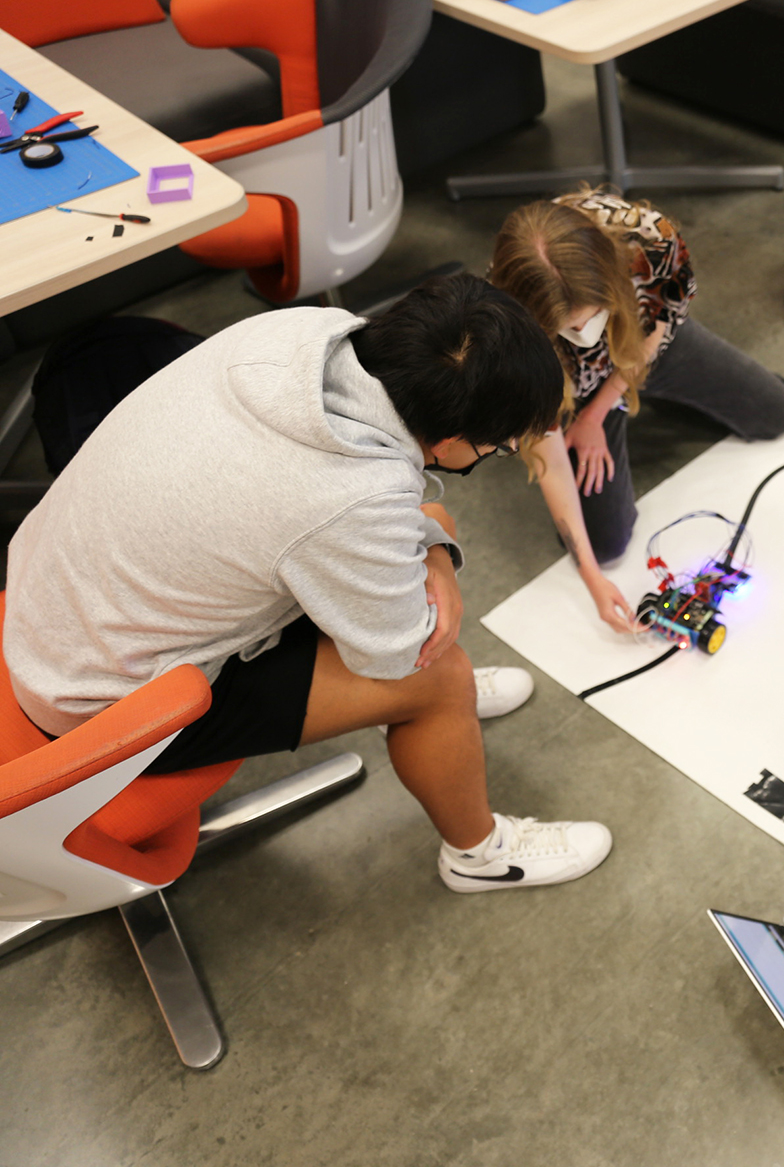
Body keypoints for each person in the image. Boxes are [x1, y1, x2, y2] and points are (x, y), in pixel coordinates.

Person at [4, 274, 613, 894]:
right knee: (438, 677)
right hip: (97, 706)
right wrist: (437, 547)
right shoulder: (351, 502)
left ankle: (430, 715)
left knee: (351, 568)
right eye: (501, 446)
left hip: (45, 600)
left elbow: (320, 516)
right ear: (453, 441)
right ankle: (479, 856)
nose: (504, 451)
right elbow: (399, 652)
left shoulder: (301, 335)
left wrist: (416, 538)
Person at [487, 187, 784, 633]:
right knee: (605, 546)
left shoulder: (651, 243)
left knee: (775, 412)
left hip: (644, 345)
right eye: (568, 328)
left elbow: (659, 328)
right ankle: (618, 408)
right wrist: (593, 579)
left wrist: (601, 411)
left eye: (591, 317)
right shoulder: (505, 330)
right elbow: (549, 460)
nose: (585, 334)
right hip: (571, 391)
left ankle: (640, 401)